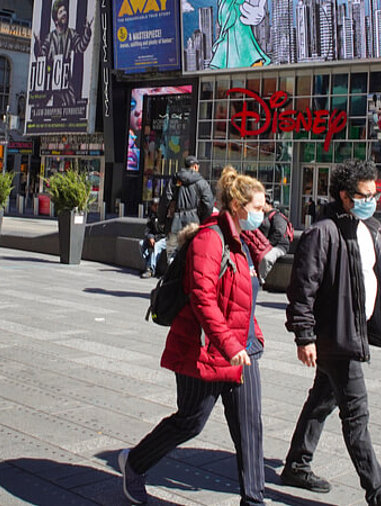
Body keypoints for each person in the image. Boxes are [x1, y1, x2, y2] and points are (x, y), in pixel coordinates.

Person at [120, 167, 270, 506]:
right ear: (237, 205)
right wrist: (229, 344)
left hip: (243, 349)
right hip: (204, 348)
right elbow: (202, 297)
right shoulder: (208, 240)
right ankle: (135, 462)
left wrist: (246, 341)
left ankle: (254, 500)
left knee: (249, 429)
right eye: (259, 208)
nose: (264, 213)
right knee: (190, 421)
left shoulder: (243, 240)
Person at [281, 159, 381, 506]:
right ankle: (378, 491)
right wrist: (304, 336)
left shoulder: (368, 229)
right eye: (365, 194)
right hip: (335, 338)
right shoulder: (322, 233)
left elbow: (376, 278)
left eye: (375, 193)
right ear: (345, 195)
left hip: (353, 331)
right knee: (357, 414)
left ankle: (297, 463)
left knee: (321, 400)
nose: (373, 200)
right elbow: (302, 290)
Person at [33, 0, 93, 107]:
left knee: (71, 104)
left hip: (64, 78)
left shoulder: (71, 33)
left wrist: (87, 33)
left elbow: (80, 48)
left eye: (65, 11)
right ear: (56, 20)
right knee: (38, 105)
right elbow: (41, 55)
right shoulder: (50, 37)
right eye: (61, 12)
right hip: (50, 76)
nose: (64, 13)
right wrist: (37, 43)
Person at [158, 155, 215, 258]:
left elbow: (165, 200)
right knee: (192, 253)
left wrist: (162, 220)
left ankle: (172, 273)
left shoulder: (175, 179)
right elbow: (209, 204)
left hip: (176, 221)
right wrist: (203, 220)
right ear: (196, 167)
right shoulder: (202, 182)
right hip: (194, 223)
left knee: (172, 254)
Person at [257, 193, 291, 282]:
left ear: (269, 204)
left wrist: (268, 245)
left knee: (266, 258)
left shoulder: (277, 216)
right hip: (266, 245)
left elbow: (279, 232)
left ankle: (259, 279)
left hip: (279, 246)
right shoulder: (263, 216)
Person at [139, 198, 167, 278]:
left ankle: (151, 269)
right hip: (154, 237)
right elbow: (148, 230)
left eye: (157, 206)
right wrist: (150, 237)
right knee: (141, 243)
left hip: (164, 238)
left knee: (157, 246)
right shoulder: (152, 216)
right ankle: (148, 265)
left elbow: (166, 232)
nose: (155, 208)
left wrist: (155, 238)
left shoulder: (165, 215)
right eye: (154, 206)